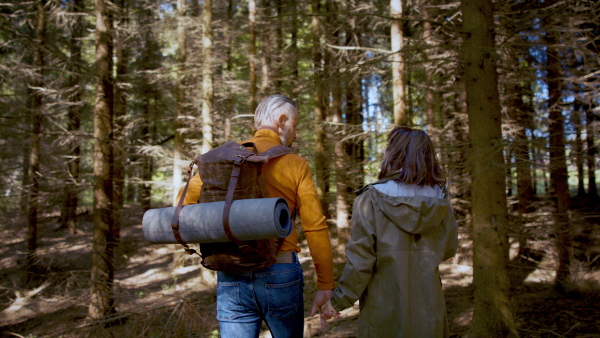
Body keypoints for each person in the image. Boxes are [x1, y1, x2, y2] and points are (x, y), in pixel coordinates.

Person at [177, 94, 335, 338]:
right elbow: (315, 227)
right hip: (280, 271)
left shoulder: (227, 159)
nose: (296, 134)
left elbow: (182, 202)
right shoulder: (295, 163)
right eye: (295, 125)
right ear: (281, 121)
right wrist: (325, 284)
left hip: (232, 271)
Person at [320, 126, 458, 337]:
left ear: (394, 154)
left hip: (384, 306)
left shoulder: (372, 198)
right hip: (429, 305)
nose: (384, 152)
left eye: (388, 148)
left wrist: (339, 301)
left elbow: (360, 260)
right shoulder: (439, 199)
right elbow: (448, 248)